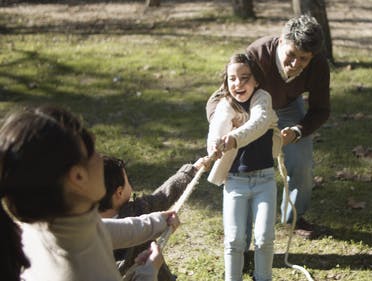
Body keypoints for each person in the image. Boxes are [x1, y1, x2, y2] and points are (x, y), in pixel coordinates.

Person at [0, 105, 179, 281]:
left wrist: (157, 222)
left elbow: (103, 230)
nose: (101, 158)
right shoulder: (78, 273)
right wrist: (146, 274)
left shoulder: (47, 225)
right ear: (78, 177)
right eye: (93, 152)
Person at [207, 15, 330, 239]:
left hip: (290, 108)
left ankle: (293, 216)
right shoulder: (257, 54)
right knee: (243, 165)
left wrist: (297, 131)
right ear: (281, 41)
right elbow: (221, 97)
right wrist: (222, 126)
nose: (295, 64)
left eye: (303, 59)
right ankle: (240, 234)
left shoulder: (319, 64)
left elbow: (321, 109)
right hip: (252, 110)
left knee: (302, 160)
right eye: (291, 55)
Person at [207, 53, 282, 281]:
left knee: (264, 237)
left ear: (256, 80)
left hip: (265, 180)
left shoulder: (263, 98)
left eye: (244, 77)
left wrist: (233, 139)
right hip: (235, 182)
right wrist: (215, 145)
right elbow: (216, 130)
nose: (238, 83)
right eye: (232, 78)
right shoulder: (225, 105)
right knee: (234, 239)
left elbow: (258, 124)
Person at [99, 155, 209, 281]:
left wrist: (192, 170)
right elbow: (163, 196)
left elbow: (164, 195)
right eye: (127, 180)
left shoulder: (82, 229)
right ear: (119, 192)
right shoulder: (137, 211)